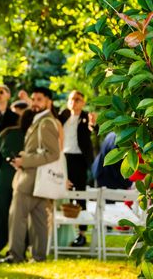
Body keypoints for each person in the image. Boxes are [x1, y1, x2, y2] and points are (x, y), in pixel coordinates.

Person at [0, 86, 61, 264]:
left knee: (16, 218)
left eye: (40, 99)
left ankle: (15, 256)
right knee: (39, 221)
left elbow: (53, 153)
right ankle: (39, 257)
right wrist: (25, 158)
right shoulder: (40, 120)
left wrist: (25, 161)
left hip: (31, 180)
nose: (35, 103)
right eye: (34, 99)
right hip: (38, 181)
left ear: (49, 102)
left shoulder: (46, 123)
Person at [0, 109, 35, 257]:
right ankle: (20, 249)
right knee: (20, 216)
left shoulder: (7, 133)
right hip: (22, 177)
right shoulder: (32, 136)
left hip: (3, 178)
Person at [57, 90, 94, 247]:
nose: (74, 102)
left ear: (83, 102)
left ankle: (82, 234)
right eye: (72, 99)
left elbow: (95, 129)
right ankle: (67, 230)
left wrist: (93, 124)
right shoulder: (63, 115)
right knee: (65, 194)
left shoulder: (86, 117)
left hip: (79, 159)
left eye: (77, 99)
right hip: (64, 158)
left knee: (80, 195)